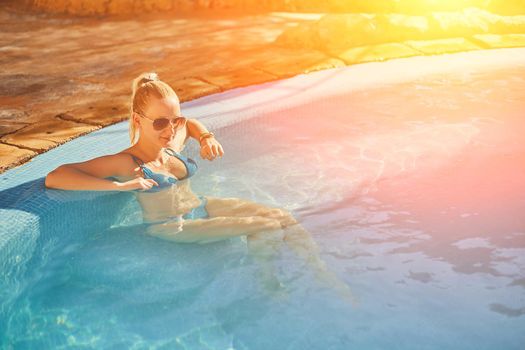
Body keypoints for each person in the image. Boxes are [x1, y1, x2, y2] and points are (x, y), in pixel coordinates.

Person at [45, 72, 355, 302]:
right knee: (266, 226)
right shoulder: (126, 162)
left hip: (200, 206)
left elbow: (189, 124)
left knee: (284, 216)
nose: (170, 129)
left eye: (172, 120)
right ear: (138, 120)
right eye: (160, 123)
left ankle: (324, 275)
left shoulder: (169, 141)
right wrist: (119, 186)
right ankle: (268, 286)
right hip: (172, 226)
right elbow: (57, 176)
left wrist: (207, 137)